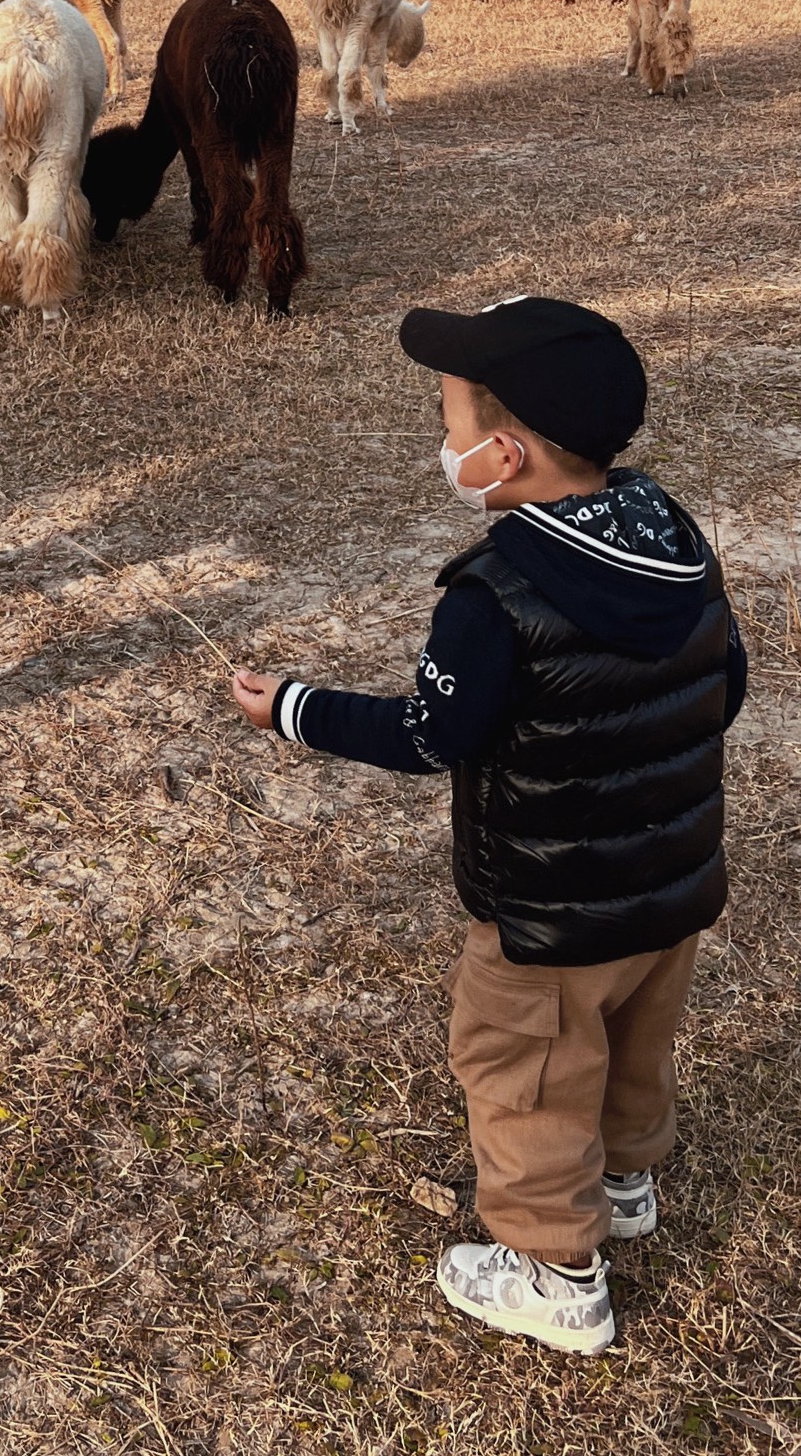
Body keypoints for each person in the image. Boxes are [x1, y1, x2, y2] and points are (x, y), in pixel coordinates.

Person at [231, 296, 745, 1356]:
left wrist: (294, 707)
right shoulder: (671, 531)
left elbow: (432, 733)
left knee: (524, 1072)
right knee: (635, 1040)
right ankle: (626, 1180)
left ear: (502, 457)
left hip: (549, 912)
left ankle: (556, 1270)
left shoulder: (493, 592)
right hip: (673, 883)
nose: (445, 446)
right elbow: (725, 685)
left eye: (451, 426)